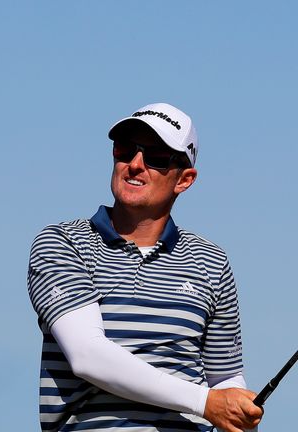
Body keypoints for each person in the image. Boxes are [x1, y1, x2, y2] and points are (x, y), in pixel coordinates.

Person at [27, 103, 263, 432]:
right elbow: (87, 356)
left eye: (155, 156)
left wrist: (237, 411)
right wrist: (204, 403)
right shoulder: (63, 243)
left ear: (185, 179)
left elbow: (224, 379)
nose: (135, 165)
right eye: (126, 150)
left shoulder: (212, 260)